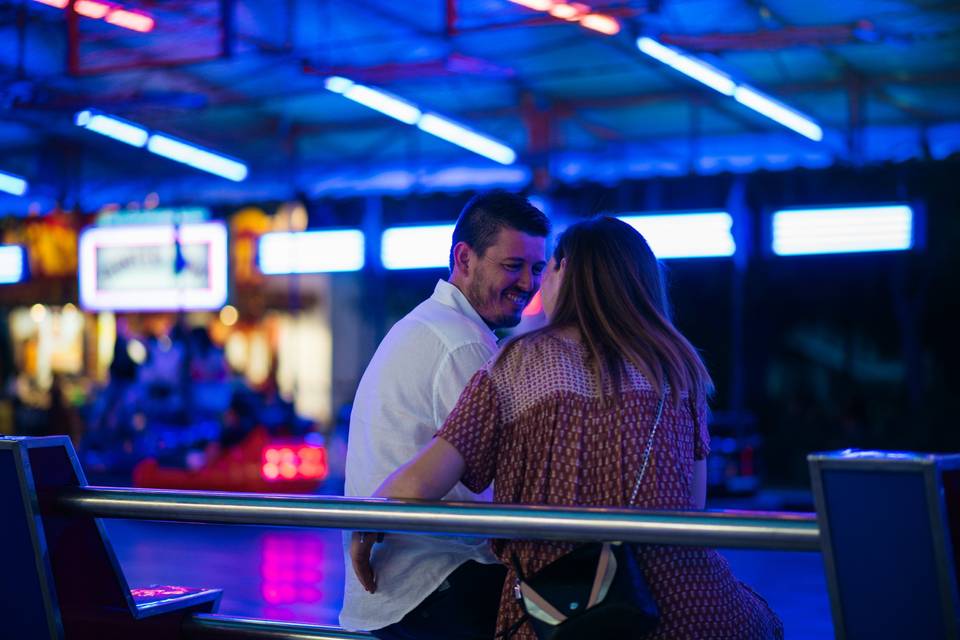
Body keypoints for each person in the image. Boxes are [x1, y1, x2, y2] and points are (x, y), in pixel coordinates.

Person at [351, 216, 784, 640]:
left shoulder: (517, 363)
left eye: (546, 267)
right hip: (685, 605)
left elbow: (428, 475)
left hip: (567, 607)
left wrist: (368, 522)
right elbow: (693, 504)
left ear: (567, 274)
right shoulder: (678, 367)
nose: (537, 283)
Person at [340, 190, 551, 639]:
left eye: (536, 268)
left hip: (395, 590)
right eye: (512, 266)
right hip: (438, 588)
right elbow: (500, 485)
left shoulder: (428, 323)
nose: (527, 284)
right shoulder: (465, 343)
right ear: (465, 258)